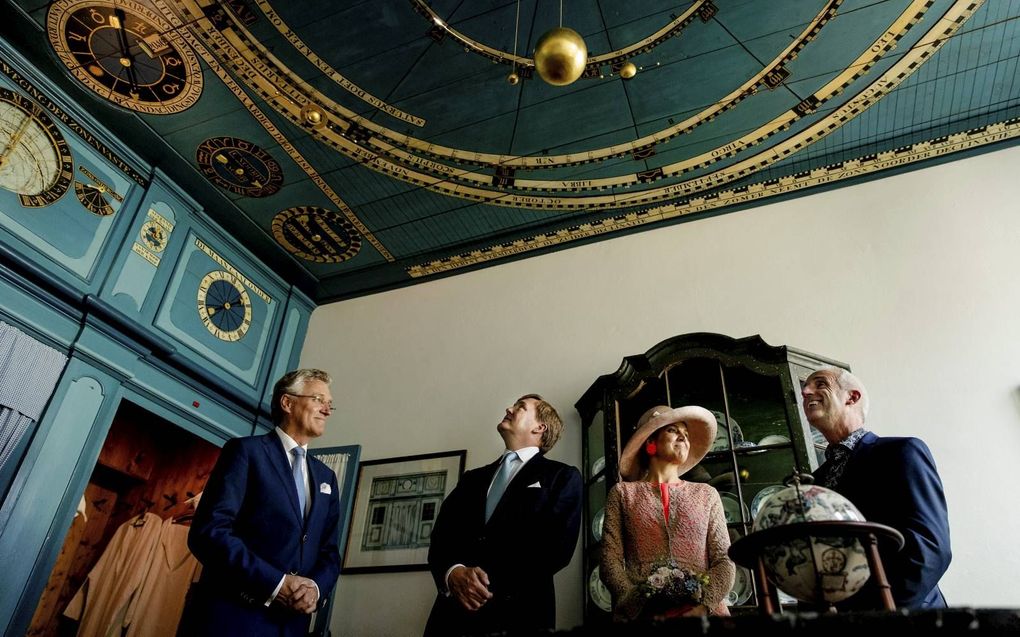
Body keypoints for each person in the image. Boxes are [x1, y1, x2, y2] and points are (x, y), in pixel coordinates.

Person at [184, 369, 342, 636]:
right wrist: (276, 584)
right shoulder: (246, 452)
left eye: (329, 404)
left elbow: (330, 553)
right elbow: (209, 532)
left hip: (292, 626)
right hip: (234, 619)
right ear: (287, 403)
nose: (327, 410)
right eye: (318, 399)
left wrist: (314, 588)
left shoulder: (327, 477)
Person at [423, 395, 582, 637]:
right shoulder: (471, 479)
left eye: (520, 407)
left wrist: (482, 584)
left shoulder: (562, 477)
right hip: (452, 619)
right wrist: (453, 572)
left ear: (540, 427)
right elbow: (442, 536)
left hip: (518, 616)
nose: (509, 408)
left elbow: (556, 549)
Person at [803, 367, 951, 609]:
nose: (806, 391)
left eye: (820, 384)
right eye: (805, 388)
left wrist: (881, 614)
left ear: (852, 397)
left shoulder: (902, 452)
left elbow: (930, 547)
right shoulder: (815, 481)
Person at [601, 405, 734, 621]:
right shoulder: (623, 493)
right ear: (650, 443)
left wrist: (704, 605)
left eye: (687, 434)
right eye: (672, 430)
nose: (683, 436)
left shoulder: (707, 494)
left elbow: (724, 559)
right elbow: (609, 560)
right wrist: (636, 602)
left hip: (705, 615)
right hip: (642, 617)